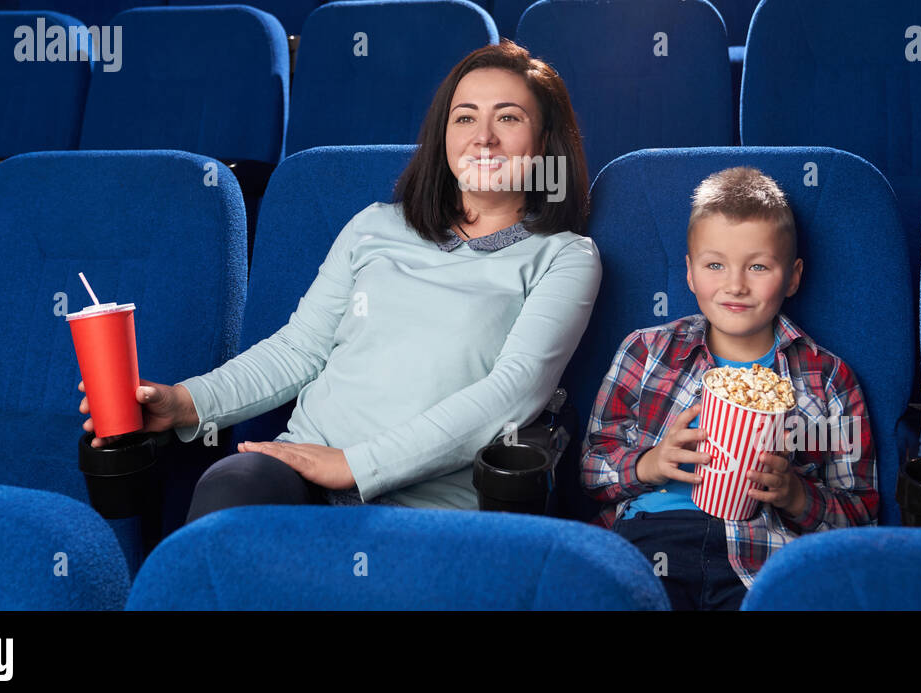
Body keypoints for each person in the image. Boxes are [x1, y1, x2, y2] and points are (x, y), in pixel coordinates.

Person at [79, 38, 600, 518]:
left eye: (507, 117)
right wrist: (183, 403)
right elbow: (299, 350)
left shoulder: (566, 256)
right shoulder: (376, 225)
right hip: (300, 472)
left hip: (430, 504)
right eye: (464, 118)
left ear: (544, 140)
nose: (482, 137)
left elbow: (512, 394)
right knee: (229, 490)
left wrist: (356, 465)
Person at [580, 166, 877, 610]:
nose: (735, 284)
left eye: (758, 266)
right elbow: (590, 470)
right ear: (690, 272)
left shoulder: (829, 378)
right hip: (651, 538)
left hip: (764, 553)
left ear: (793, 276)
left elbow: (863, 518)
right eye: (715, 265)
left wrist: (797, 495)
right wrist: (650, 464)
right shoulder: (645, 352)